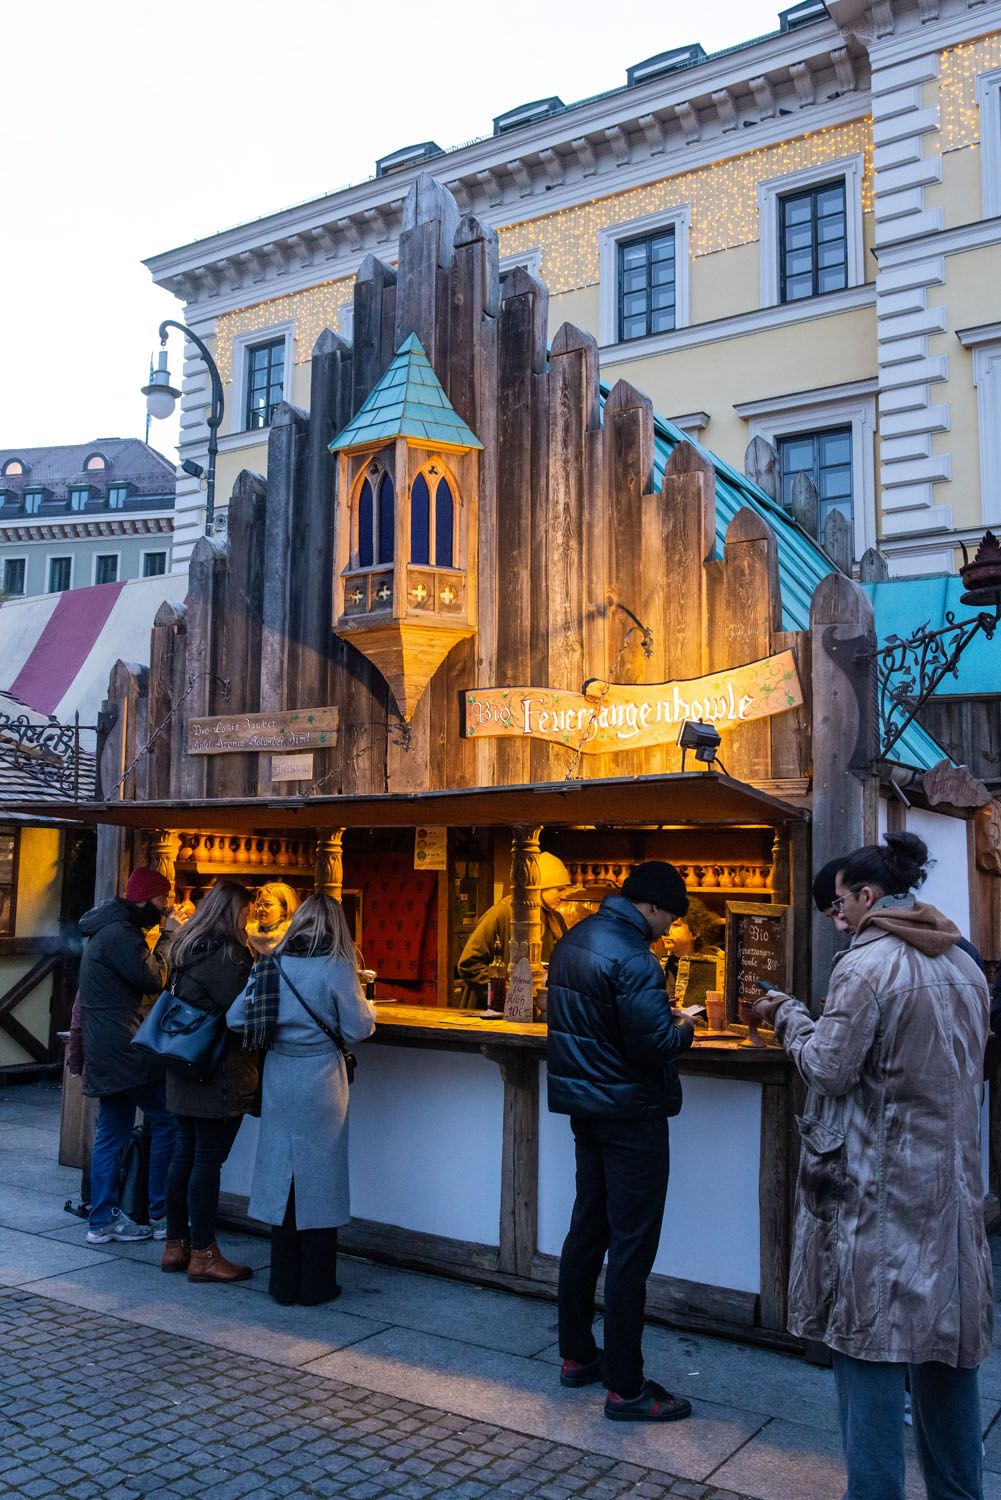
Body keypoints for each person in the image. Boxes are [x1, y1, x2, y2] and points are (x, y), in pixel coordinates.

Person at [753, 831, 991, 1500]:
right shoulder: (963, 960)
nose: (834, 920)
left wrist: (789, 1016)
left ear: (867, 895)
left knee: (867, 1353)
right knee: (948, 1356)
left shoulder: (866, 964)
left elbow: (828, 1069)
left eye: (836, 906)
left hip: (874, 1192)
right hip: (949, 1189)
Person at [546, 860, 696, 1422]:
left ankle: (578, 1356)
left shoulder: (575, 938)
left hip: (586, 1108)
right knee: (632, 1247)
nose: (669, 927)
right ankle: (626, 1386)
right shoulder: (634, 956)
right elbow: (654, 1042)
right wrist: (686, 1024)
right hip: (632, 1113)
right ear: (653, 906)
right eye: (670, 916)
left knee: (587, 1230)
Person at [228, 894, 376, 1306]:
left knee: (282, 1175)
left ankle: (282, 1281)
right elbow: (359, 1026)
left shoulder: (271, 963)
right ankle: (316, 1283)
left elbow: (235, 1017)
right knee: (320, 1179)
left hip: (280, 1075)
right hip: (321, 1081)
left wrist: (275, 1023)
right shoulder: (336, 966)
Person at [160, 880, 258, 1283]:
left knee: (184, 1154)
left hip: (182, 1064)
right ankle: (204, 1253)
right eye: (246, 913)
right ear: (234, 913)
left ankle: (175, 1244)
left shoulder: (185, 947)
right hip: (216, 1071)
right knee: (207, 1161)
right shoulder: (231, 958)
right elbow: (243, 1015)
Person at [79, 867, 177, 1245]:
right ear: (144, 899)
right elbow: (154, 978)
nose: (164, 906)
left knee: (113, 1129)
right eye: (161, 900)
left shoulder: (107, 927)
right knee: (165, 1119)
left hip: (104, 1043)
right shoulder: (122, 934)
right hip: (124, 1043)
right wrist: (168, 935)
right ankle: (160, 1213)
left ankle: (102, 1218)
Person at [457, 852, 581, 1008]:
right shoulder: (502, 914)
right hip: (494, 1009)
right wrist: (506, 989)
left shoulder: (555, 919)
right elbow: (468, 964)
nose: (564, 896)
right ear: (540, 887)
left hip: (534, 1007)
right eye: (559, 889)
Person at [660, 896, 725, 1011]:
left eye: (675, 925)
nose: (667, 932)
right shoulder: (657, 961)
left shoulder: (714, 965)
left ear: (695, 932)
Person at [246, 882, 300, 956]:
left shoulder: (296, 938)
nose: (260, 909)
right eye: (258, 905)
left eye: (267, 904)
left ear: (285, 909)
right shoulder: (249, 936)